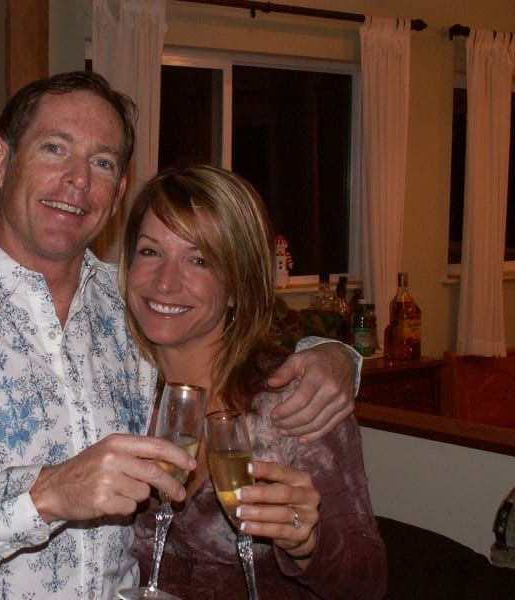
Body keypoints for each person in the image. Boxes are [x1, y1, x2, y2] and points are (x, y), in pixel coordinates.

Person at [0, 71, 360, 599]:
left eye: (102, 162)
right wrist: (44, 496)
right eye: (55, 148)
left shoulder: (131, 312)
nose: (77, 180)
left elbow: (227, 336)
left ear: (117, 194)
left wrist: (336, 354)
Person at [120, 165, 386, 598]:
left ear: (237, 286)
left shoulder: (291, 400)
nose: (164, 281)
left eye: (199, 260)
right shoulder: (112, 385)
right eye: (150, 251)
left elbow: (368, 582)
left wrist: (308, 545)